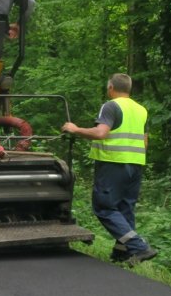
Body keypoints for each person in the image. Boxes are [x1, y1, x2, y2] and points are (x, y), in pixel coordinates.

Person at [61, 73, 157, 266]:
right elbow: (144, 141)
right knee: (125, 207)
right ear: (128, 89)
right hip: (136, 164)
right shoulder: (141, 110)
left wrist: (75, 129)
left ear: (111, 87)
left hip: (114, 163)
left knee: (104, 207)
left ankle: (139, 247)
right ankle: (122, 253)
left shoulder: (111, 106)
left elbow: (101, 133)